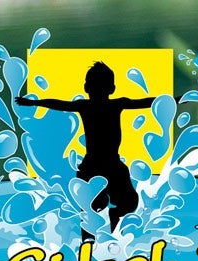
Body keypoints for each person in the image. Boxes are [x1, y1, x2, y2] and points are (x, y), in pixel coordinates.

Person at [19, 62, 150, 229]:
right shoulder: (106, 105)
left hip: (101, 165)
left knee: (98, 207)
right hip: (101, 164)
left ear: (86, 87)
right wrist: (174, 101)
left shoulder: (92, 105)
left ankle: (99, 232)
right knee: (115, 204)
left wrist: (34, 103)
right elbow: (146, 102)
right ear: (112, 88)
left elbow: (59, 104)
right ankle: (108, 225)